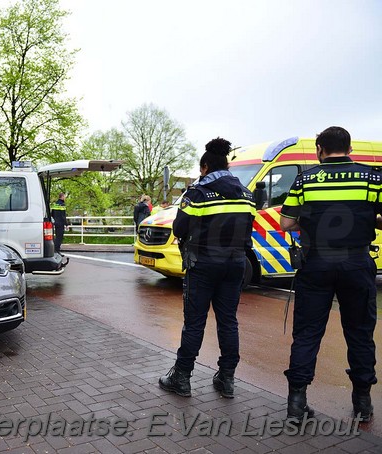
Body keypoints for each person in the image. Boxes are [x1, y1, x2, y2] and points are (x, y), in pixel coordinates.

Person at [279, 126, 379, 423]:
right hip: (357, 264)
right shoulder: (372, 176)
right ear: (349, 149)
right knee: (360, 332)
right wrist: (364, 216)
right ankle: (362, 401)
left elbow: (286, 223)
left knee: (307, 333)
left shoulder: (305, 179)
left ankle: (296, 403)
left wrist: (312, 222)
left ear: (320, 150)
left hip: (317, 264)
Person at [158, 138, 255, 398]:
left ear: (204, 167)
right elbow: (249, 229)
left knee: (195, 322)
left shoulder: (198, 192)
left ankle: (181, 377)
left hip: (203, 264)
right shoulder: (247, 194)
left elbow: (179, 228)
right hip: (235, 264)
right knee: (228, 322)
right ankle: (226, 378)